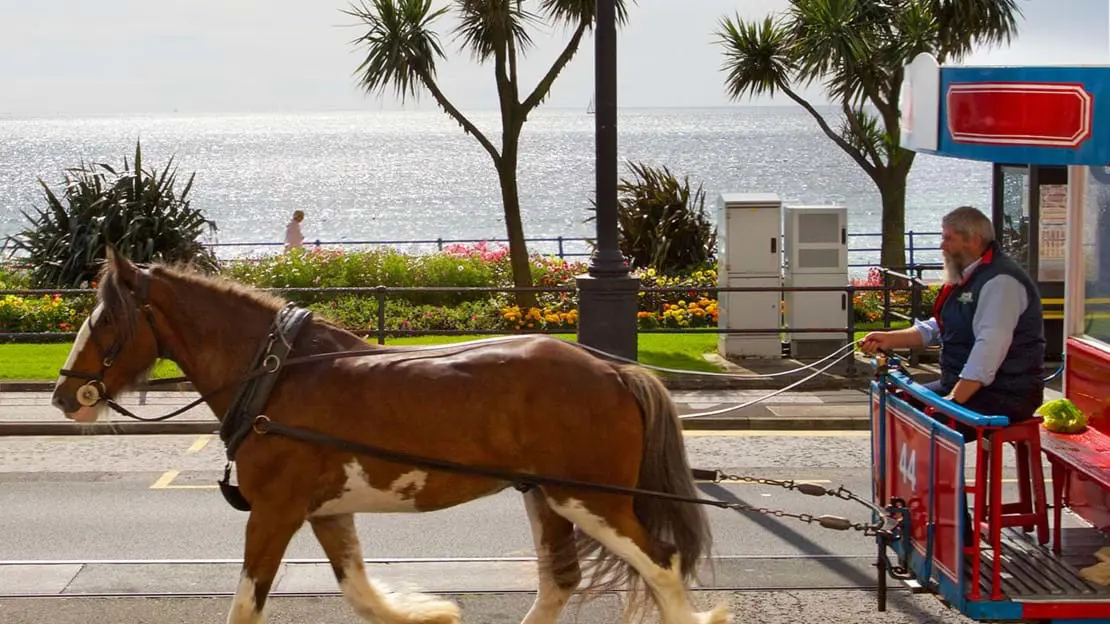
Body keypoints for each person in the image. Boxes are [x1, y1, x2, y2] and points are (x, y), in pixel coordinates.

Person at [861, 206, 1045, 432]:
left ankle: (922, 467)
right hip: (967, 385)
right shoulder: (970, 275)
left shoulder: (1001, 282)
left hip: (1005, 394)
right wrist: (889, 339)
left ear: (974, 241)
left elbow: (989, 349)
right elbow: (941, 325)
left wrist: (953, 401)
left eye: (948, 238)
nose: (942, 245)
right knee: (898, 409)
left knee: (918, 426)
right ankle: (903, 467)